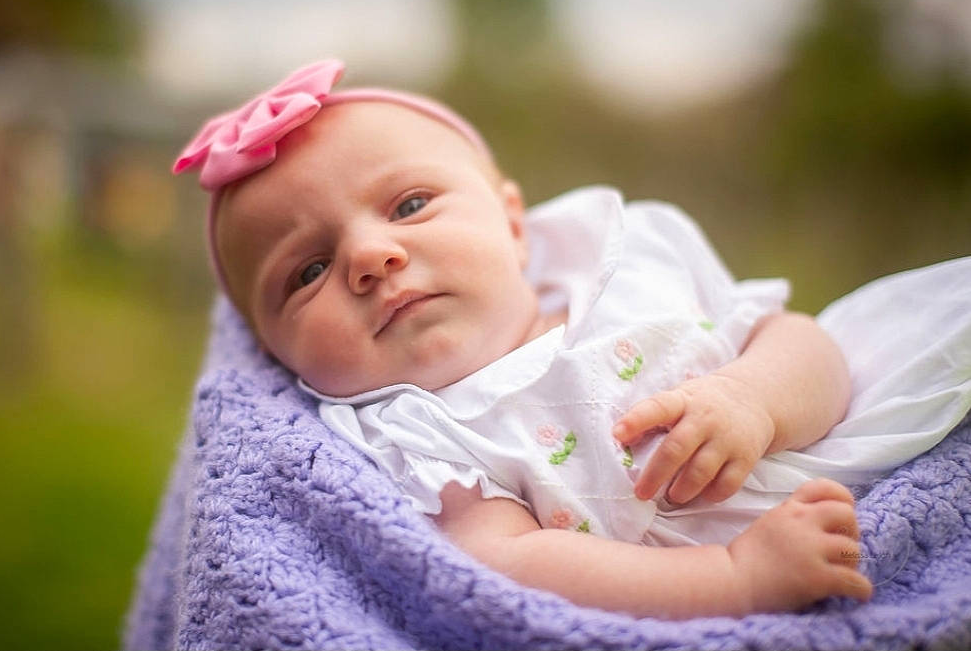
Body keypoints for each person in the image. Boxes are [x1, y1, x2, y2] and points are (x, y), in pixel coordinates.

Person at [172, 59, 971, 620]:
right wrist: (736, 576)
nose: (370, 256)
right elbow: (518, 567)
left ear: (513, 223)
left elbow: (805, 342)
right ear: (275, 353)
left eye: (410, 205)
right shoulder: (422, 437)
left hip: (843, 444)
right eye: (307, 271)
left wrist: (750, 397)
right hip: (731, 562)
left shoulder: (626, 268)